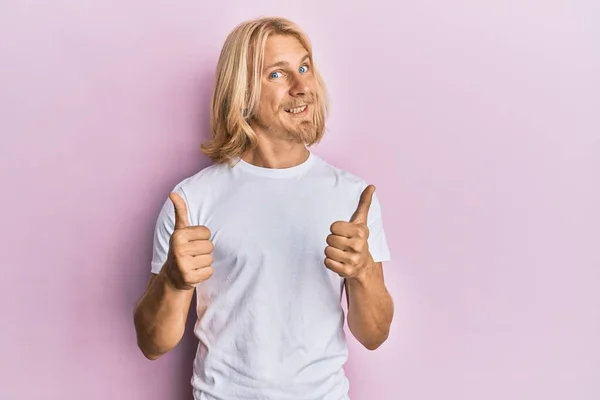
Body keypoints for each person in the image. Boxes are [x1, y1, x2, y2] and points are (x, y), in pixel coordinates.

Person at [133, 16, 394, 400]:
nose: (302, 86)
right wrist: (173, 281)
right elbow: (152, 344)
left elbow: (374, 336)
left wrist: (363, 272)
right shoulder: (191, 200)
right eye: (278, 74)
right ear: (242, 92)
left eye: (304, 67)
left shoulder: (352, 198)